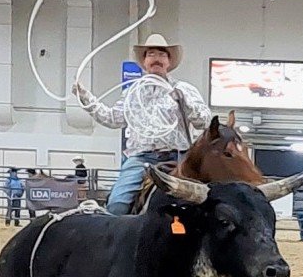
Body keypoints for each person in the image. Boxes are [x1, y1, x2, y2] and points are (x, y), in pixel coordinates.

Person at [73, 33, 211, 214]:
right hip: (141, 158)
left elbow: (205, 121)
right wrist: (86, 98)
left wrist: (186, 103)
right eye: (151, 54)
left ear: (169, 62)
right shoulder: (133, 92)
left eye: (162, 55)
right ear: (145, 61)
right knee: (117, 205)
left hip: (179, 156)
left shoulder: (184, 90)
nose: (157, 59)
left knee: (206, 202)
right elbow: (113, 119)